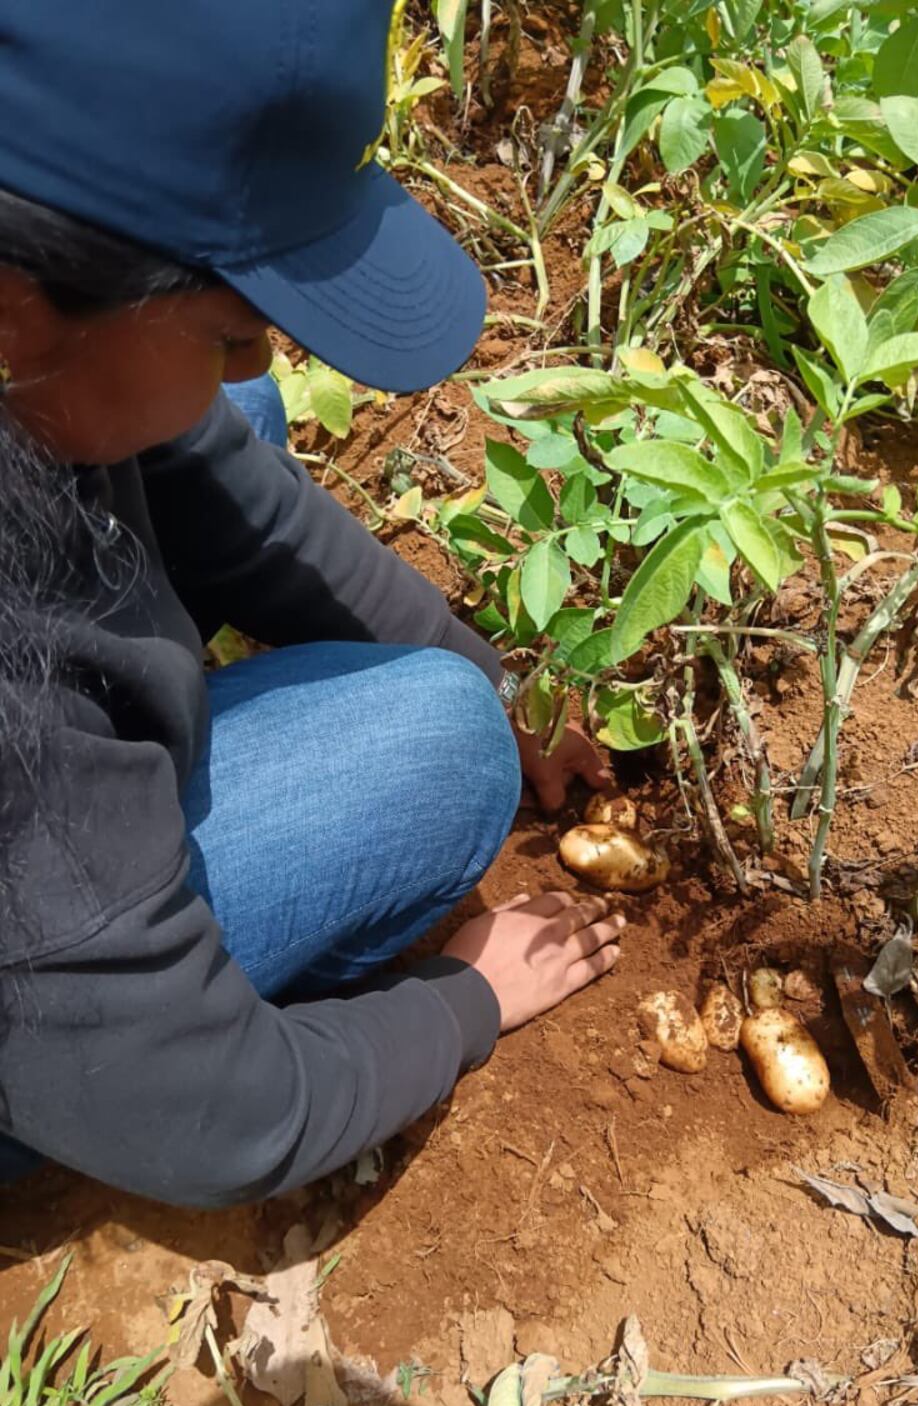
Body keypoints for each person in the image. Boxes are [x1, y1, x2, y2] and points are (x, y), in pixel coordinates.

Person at [0, 0, 625, 1206]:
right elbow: (220, 1118)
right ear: (20, 311)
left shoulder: (38, 311)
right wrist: (463, 1001)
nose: (265, 354)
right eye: (237, 329)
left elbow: (235, 487)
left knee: (228, 426)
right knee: (437, 750)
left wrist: (499, 675)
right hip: (65, 1009)